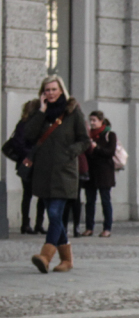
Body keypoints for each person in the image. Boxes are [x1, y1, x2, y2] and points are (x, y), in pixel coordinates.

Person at [20, 75, 89, 272]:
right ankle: (67, 260)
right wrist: (41, 111)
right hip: (43, 172)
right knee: (55, 217)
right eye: (47, 90)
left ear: (61, 90)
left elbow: (84, 140)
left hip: (64, 171)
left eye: (53, 89)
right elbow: (29, 135)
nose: (50, 93)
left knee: (54, 213)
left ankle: (45, 255)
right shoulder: (38, 111)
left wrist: (70, 152)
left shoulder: (72, 112)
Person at [8, 97, 46, 234]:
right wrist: (31, 155)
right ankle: (28, 224)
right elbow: (19, 144)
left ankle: (36, 224)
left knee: (37, 194)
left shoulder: (34, 124)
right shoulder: (24, 124)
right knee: (29, 194)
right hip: (27, 163)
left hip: (35, 162)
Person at [84, 110, 117, 237]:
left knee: (105, 200)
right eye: (91, 120)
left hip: (104, 172)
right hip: (90, 172)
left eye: (94, 120)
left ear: (101, 121)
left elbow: (110, 152)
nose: (92, 123)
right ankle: (89, 227)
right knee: (90, 201)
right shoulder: (88, 135)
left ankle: (107, 228)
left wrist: (95, 147)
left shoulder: (109, 134)